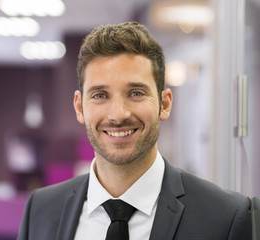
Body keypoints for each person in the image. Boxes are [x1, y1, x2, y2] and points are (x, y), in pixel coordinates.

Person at [17, 22, 252, 240]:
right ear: (80, 107)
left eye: (136, 93)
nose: (118, 114)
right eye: (100, 95)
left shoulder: (225, 217)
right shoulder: (41, 209)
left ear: (165, 104)